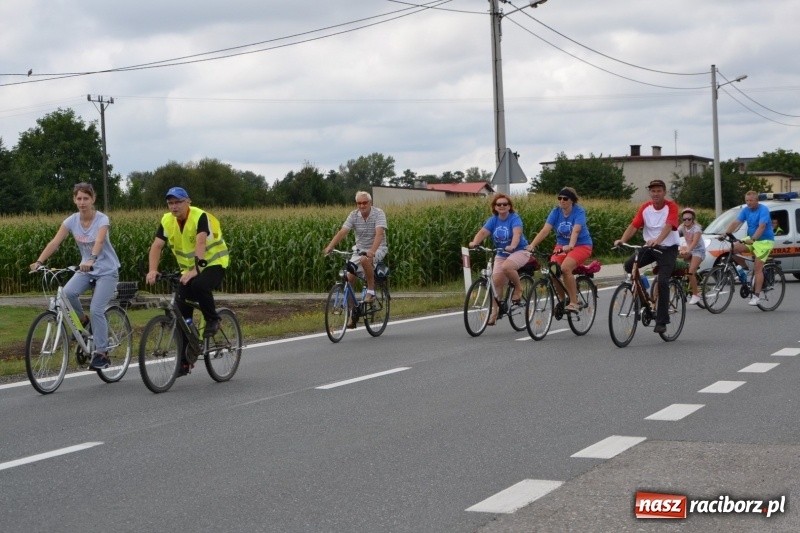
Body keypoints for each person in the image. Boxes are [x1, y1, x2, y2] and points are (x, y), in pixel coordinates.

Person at [30, 182, 121, 370]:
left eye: (86, 198)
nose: (82, 202)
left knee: (97, 309)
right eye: (79, 198)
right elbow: (55, 242)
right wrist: (39, 261)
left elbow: (99, 241)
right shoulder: (71, 221)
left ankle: (102, 353)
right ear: (74, 200)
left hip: (106, 271)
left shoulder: (102, 219)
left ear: (93, 199)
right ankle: (82, 320)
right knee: (67, 293)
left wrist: (92, 259)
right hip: (86, 269)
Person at [146, 187, 230, 372]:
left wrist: (195, 270)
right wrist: (152, 270)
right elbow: (157, 246)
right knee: (182, 314)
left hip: (213, 264)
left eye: (178, 202)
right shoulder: (167, 220)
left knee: (199, 285)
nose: (174, 206)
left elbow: (201, 242)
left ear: (188, 202)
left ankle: (213, 320)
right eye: (170, 203)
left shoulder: (199, 216)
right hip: (188, 270)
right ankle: (185, 362)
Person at [614, 179, 680, 334]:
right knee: (629, 266)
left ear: (664, 192)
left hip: (667, 248)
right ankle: (644, 297)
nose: (655, 194)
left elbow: (669, 226)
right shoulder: (645, 207)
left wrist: (658, 240)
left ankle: (662, 321)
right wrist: (622, 240)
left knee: (663, 281)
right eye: (653, 191)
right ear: (650, 192)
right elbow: (634, 226)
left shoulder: (671, 206)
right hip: (649, 246)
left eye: (659, 191)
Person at [323, 191, 388, 329]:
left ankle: (371, 292)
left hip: (378, 248)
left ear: (370, 203)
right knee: (349, 278)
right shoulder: (353, 215)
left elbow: (379, 235)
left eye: (364, 203)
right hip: (359, 250)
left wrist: (372, 251)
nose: (362, 206)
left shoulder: (378, 213)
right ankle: (353, 313)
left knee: (365, 260)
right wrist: (330, 246)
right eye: (359, 203)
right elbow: (343, 231)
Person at [525, 187, 592, 312]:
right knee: (553, 271)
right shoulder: (556, 212)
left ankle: (574, 302)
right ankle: (563, 301)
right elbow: (545, 230)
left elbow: (576, 230)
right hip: (561, 246)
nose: (562, 201)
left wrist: (570, 245)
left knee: (566, 268)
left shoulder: (579, 212)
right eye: (559, 198)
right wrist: (532, 245)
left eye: (565, 198)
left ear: (572, 200)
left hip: (581, 245)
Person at [468, 193, 529, 325]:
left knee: (507, 266)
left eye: (504, 204)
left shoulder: (514, 218)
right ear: (495, 207)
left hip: (520, 250)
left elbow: (517, 233)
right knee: (496, 283)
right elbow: (483, 232)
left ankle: (518, 288)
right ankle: (494, 313)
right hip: (501, 252)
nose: (501, 206)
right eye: (498, 204)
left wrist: (513, 246)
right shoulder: (493, 220)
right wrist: (475, 242)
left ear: (509, 206)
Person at [721, 190, 774, 305]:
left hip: (764, 241)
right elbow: (735, 223)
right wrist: (725, 234)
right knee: (733, 249)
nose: (748, 203)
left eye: (751, 200)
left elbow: (762, 226)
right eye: (746, 200)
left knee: (758, 267)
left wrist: (753, 239)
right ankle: (745, 269)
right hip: (751, 239)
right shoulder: (746, 210)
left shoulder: (763, 210)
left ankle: (756, 296)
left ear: (757, 200)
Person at [677, 207, 706, 305]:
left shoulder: (696, 229)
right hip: (689, 251)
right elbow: (674, 235)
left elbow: (695, 242)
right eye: (684, 219)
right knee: (673, 258)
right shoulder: (682, 227)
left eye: (689, 219)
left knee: (690, 272)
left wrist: (688, 250)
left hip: (698, 251)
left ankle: (696, 295)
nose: (686, 221)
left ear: (693, 219)